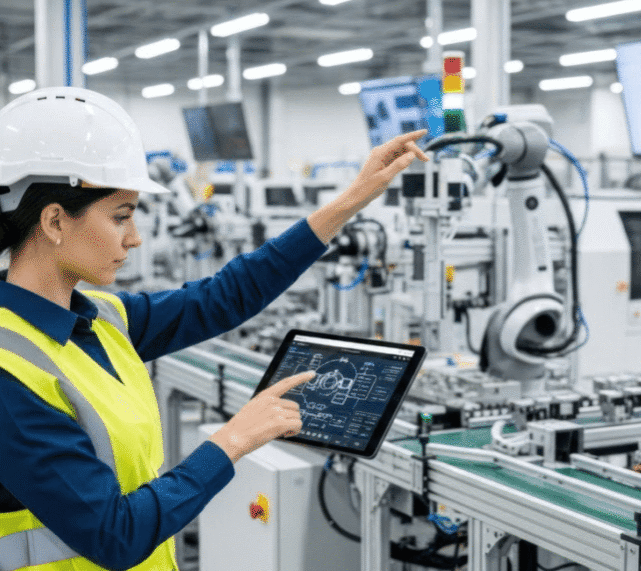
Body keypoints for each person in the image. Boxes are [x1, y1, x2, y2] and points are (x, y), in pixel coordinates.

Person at [0, 86, 428, 571]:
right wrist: (235, 439)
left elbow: (223, 297)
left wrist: (351, 200)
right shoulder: (7, 369)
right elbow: (114, 534)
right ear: (55, 221)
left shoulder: (102, 318)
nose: (135, 237)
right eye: (120, 216)